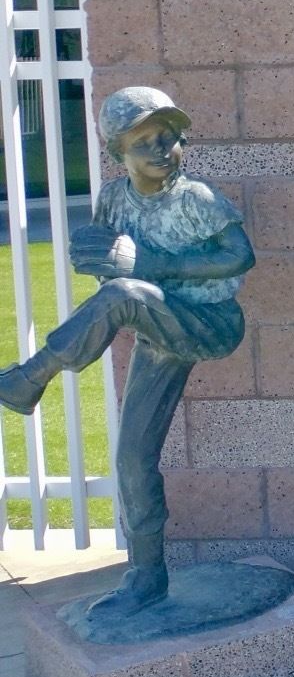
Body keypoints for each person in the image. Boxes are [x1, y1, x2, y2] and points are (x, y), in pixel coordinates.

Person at [0, 87, 254, 617]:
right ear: (117, 153)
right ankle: (146, 576)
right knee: (133, 457)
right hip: (155, 322)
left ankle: (31, 377)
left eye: (168, 138)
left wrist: (151, 265)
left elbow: (239, 255)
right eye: (144, 143)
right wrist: (101, 260)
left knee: (124, 295)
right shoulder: (114, 199)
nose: (162, 150)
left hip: (208, 323)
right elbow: (112, 262)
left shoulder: (196, 199)